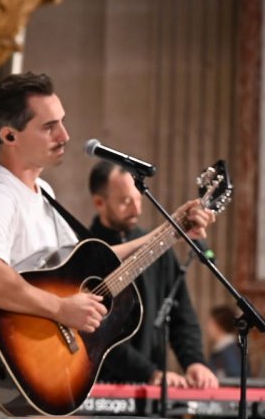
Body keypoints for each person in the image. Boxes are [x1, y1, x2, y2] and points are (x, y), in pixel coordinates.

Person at [0, 72, 215, 418]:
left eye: (63, 123)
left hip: (28, 390)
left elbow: (91, 266)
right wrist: (60, 309)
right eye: (49, 127)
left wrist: (170, 231)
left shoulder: (45, 196)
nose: (64, 136)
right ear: (9, 135)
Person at [87, 161, 218, 389]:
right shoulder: (86, 251)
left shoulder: (158, 248)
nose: (136, 210)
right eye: (125, 201)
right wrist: (148, 372)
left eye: (138, 199)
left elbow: (181, 313)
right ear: (99, 202)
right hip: (98, 385)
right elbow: (97, 333)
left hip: (153, 387)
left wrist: (194, 361)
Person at [206, 304, 244, 379]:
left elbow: (235, 379)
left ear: (219, 325)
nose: (207, 327)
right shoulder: (224, 349)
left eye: (210, 323)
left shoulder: (231, 351)